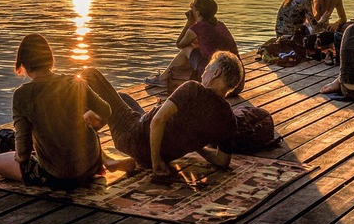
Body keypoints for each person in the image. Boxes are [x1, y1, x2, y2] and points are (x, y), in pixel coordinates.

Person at [0, 35, 131, 188]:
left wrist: (28, 155)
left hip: (57, 175)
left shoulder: (21, 96)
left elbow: (23, 153)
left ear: (23, 64)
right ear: (50, 59)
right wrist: (87, 119)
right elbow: (106, 111)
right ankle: (104, 159)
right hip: (90, 164)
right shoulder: (75, 82)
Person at [82, 52, 243, 182]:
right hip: (156, 145)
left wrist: (155, 162)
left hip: (134, 137)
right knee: (123, 97)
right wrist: (198, 146)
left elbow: (158, 121)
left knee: (90, 74)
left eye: (207, 68)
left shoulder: (193, 89)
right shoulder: (228, 118)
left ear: (216, 72)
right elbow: (222, 161)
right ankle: (91, 132)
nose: (203, 73)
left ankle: (83, 142)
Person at [146, 0, 238, 90]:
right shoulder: (220, 25)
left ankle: (163, 79)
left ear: (197, 12)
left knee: (186, 49)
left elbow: (179, 44)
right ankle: (175, 78)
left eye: (192, 5)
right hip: (236, 85)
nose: (190, 8)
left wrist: (189, 22)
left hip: (216, 84)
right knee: (194, 47)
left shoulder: (198, 28)